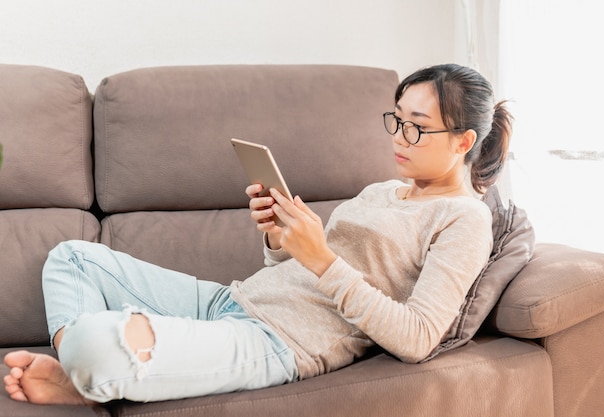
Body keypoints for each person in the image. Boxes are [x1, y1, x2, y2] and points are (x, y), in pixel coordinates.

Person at [3, 63, 512, 405]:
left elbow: (417, 338)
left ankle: (84, 372)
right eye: (395, 120)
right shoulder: (383, 190)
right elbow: (290, 271)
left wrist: (321, 260)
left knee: (94, 341)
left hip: (280, 341)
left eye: (416, 127)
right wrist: (277, 240)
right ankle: (88, 373)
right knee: (72, 256)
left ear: (464, 141)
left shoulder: (465, 220)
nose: (399, 138)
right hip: (235, 300)